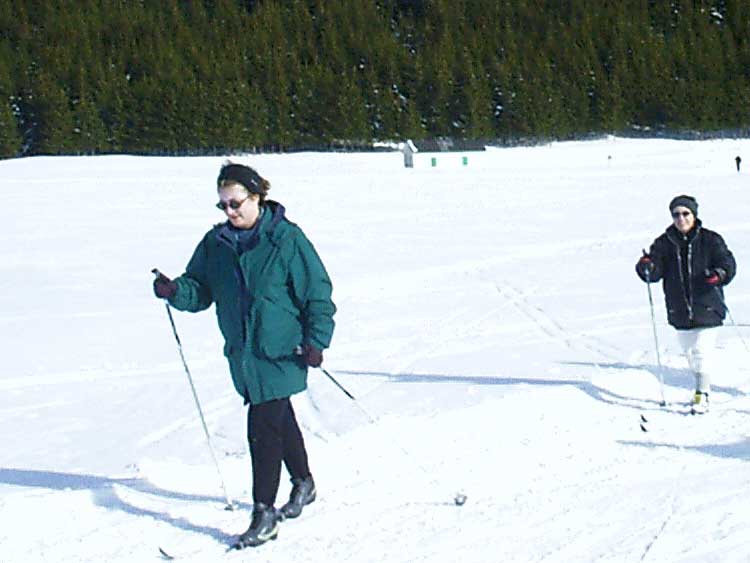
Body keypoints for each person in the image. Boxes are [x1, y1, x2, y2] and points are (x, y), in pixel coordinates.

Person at [153, 162, 336, 548]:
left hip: (283, 350)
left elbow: (317, 292)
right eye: (222, 205)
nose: (229, 212)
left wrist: (317, 340)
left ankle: (264, 513)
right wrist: (175, 291)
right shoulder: (215, 244)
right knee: (279, 418)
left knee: (263, 427)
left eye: (235, 203)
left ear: (257, 197)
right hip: (243, 355)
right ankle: (304, 483)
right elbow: (200, 289)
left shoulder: (286, 239)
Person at [635, 195, 736, 414]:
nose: (681, 219)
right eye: (676, 214)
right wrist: (647, 267)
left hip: (708, 305)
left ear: (694, 215)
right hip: (679, 309)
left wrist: (719, 274)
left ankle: (702, 393)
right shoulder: (664, 243)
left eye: (685, 213)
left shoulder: (710, 240)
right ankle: (701, 384)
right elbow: (655, 270)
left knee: (701, 350)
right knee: (690, 352)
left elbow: (727, 262)